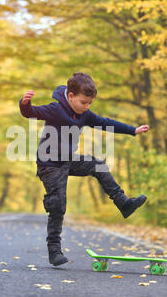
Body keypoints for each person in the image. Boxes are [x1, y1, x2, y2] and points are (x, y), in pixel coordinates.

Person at [19, 72, 150, 266]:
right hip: (50, 165)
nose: (86, 107)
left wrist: (132, 130)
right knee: (58, 204)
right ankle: (54, 250)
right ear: (70, 96)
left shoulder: (84, 114)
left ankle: (123, 203)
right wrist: (25, 103)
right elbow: (31, 113)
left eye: (89, 103)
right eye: (83, 102)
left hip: (68, 160)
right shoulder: (55, 109)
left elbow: (105, 123)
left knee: (98, 165)